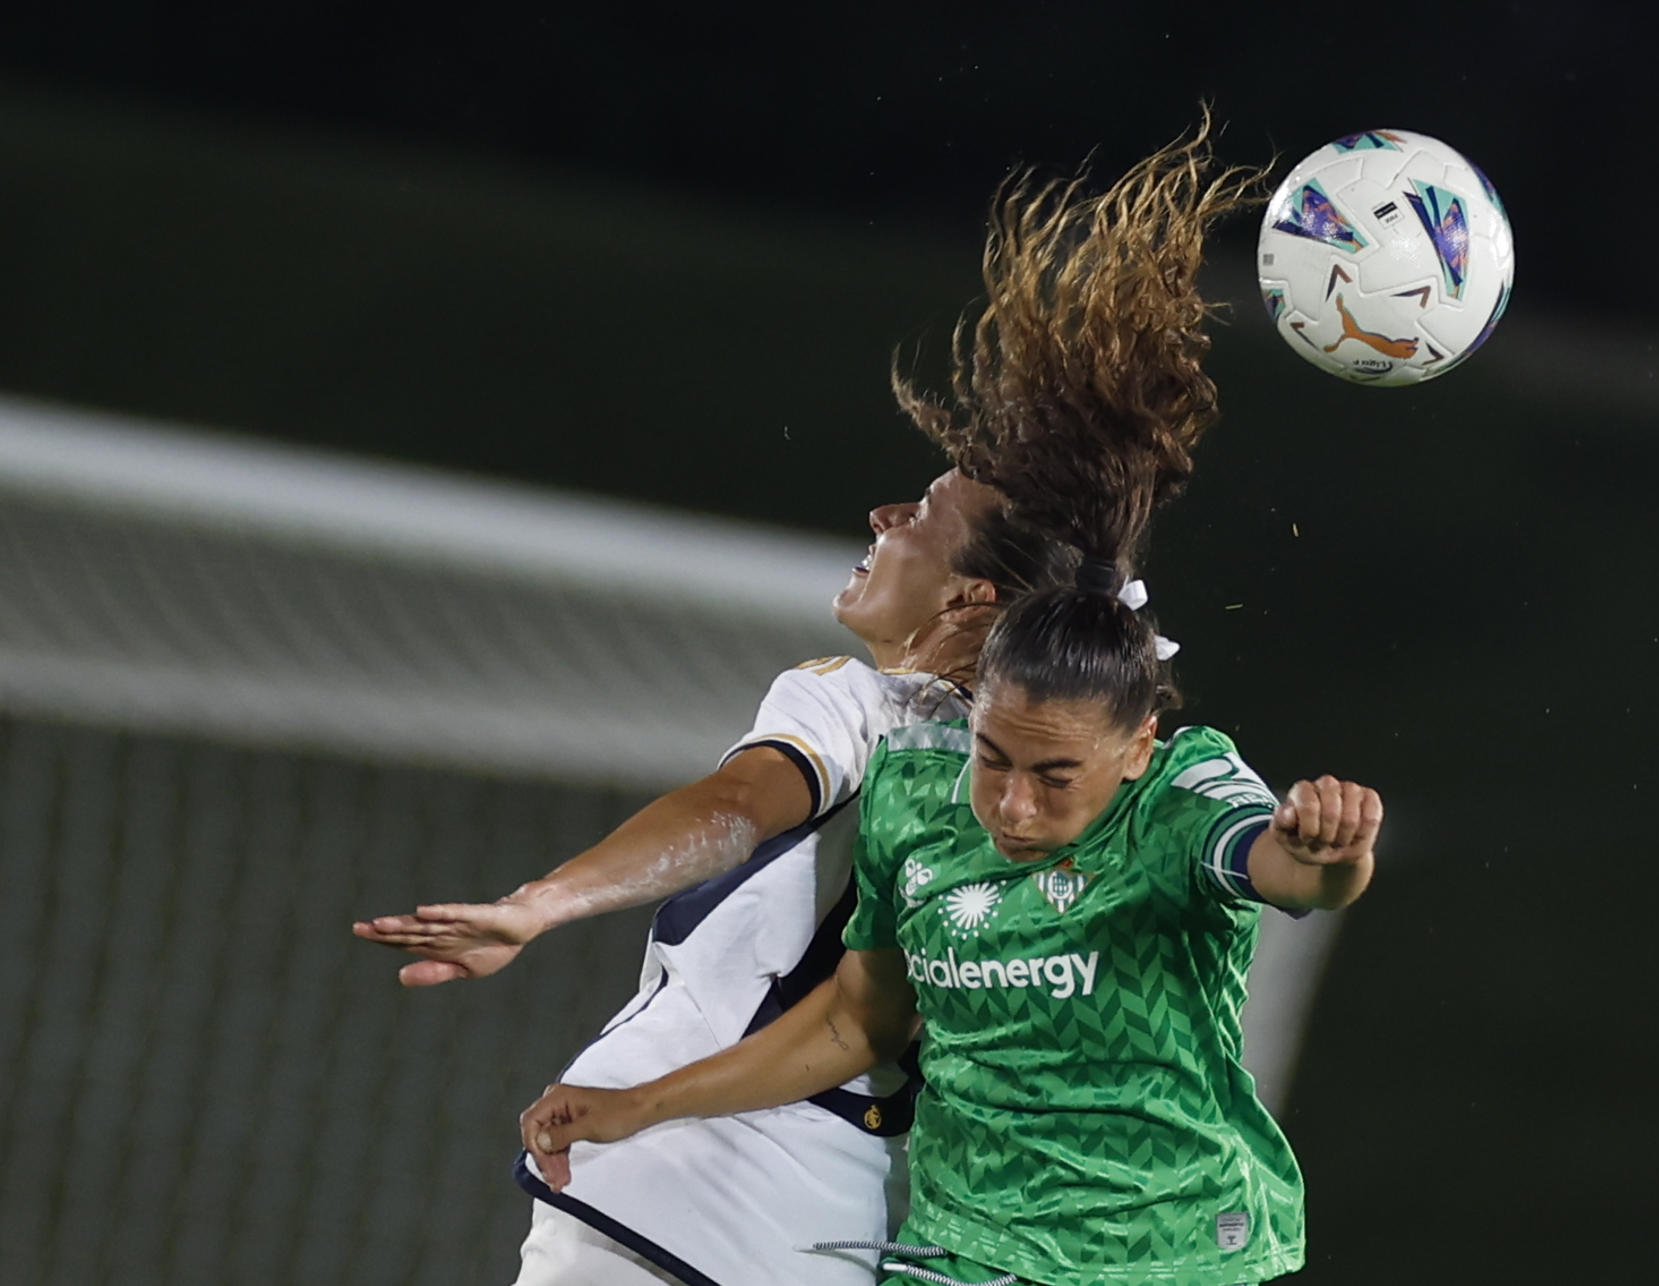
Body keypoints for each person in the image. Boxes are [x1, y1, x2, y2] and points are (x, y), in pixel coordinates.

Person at [357, 117, 1270, 1286]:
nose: (888, 516)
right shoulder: (1090, 778)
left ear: (970, 599)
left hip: (674, 1187)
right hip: (845, 1227)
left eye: (921, 516)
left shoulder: (867, 708)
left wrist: (538, 904)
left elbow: (740, 806)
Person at [519, 530, 1381, 1286]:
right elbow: (859, 1025)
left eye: (1055, 778)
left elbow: (1282, 872)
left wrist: (1326, 856)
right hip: (964, 1246)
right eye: (993, 759)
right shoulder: (916, 794)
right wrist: (638, 1105)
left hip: (1160, 1245)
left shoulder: (1180, 797)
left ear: (1136, 749)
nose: (1012, 805)